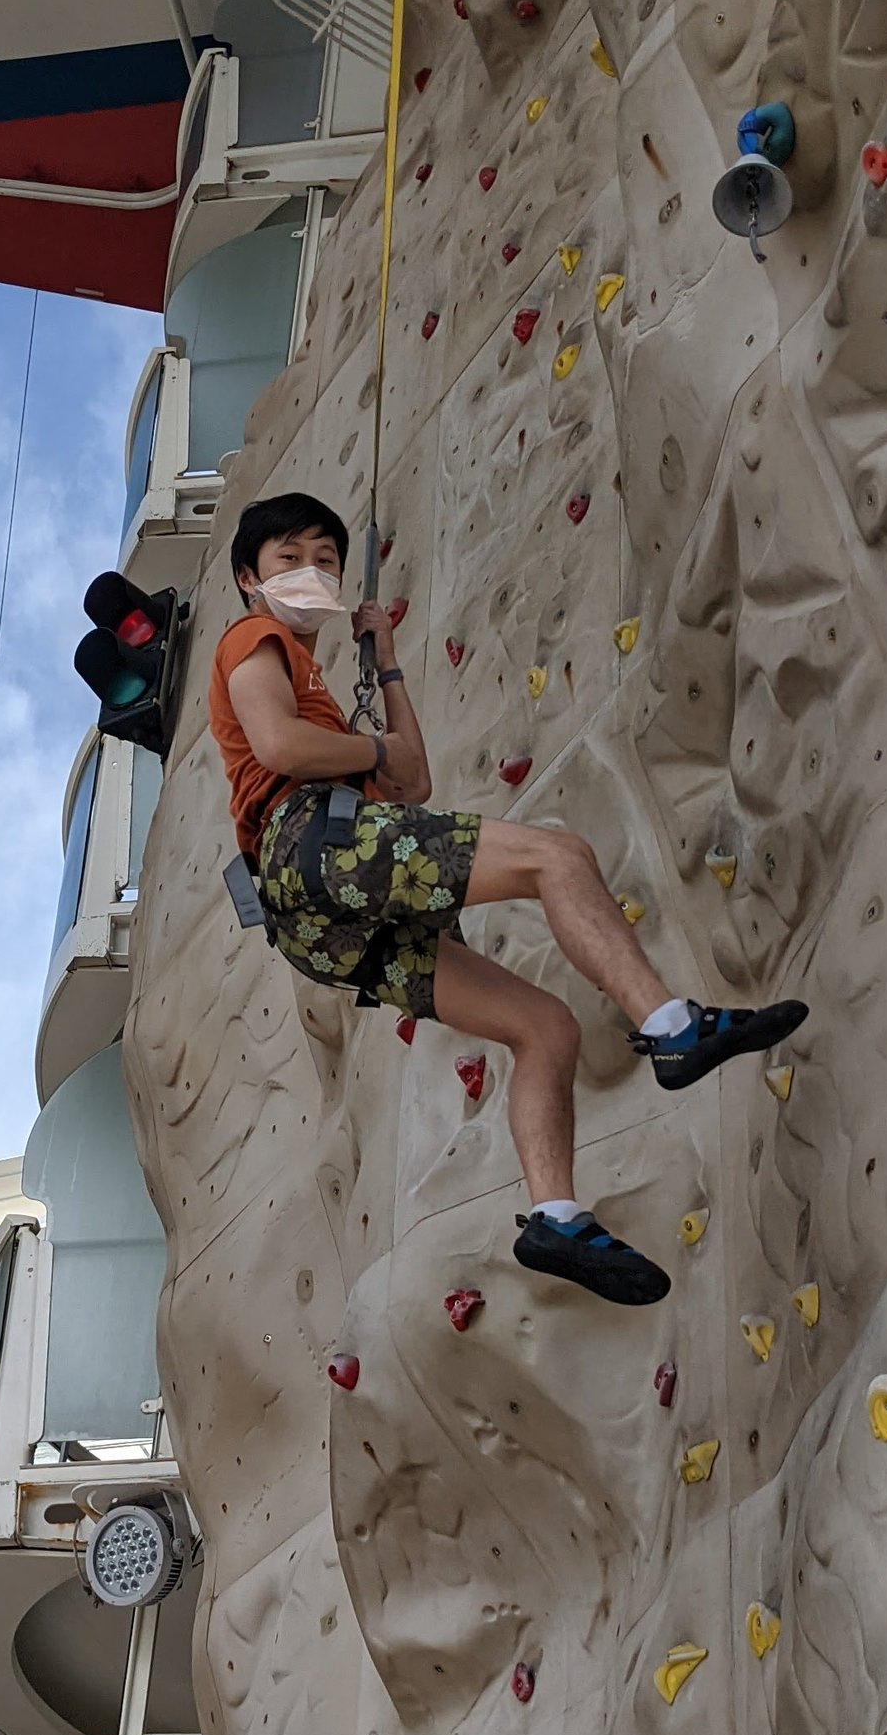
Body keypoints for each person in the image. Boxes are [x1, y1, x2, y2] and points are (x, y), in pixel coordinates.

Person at [208, 488, 807, 1305]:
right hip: (314, 845)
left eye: (326, 560)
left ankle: (555, 1216)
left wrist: (383, 659)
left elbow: (412, 776)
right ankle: (671, 1026)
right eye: (290, 559)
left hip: (322, 922)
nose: (312, 573)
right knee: (556, 859)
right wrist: (367, 747)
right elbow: (277, 743)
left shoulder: (316, 670)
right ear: (250, 576)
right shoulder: (256, 633)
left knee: (546, 1028)